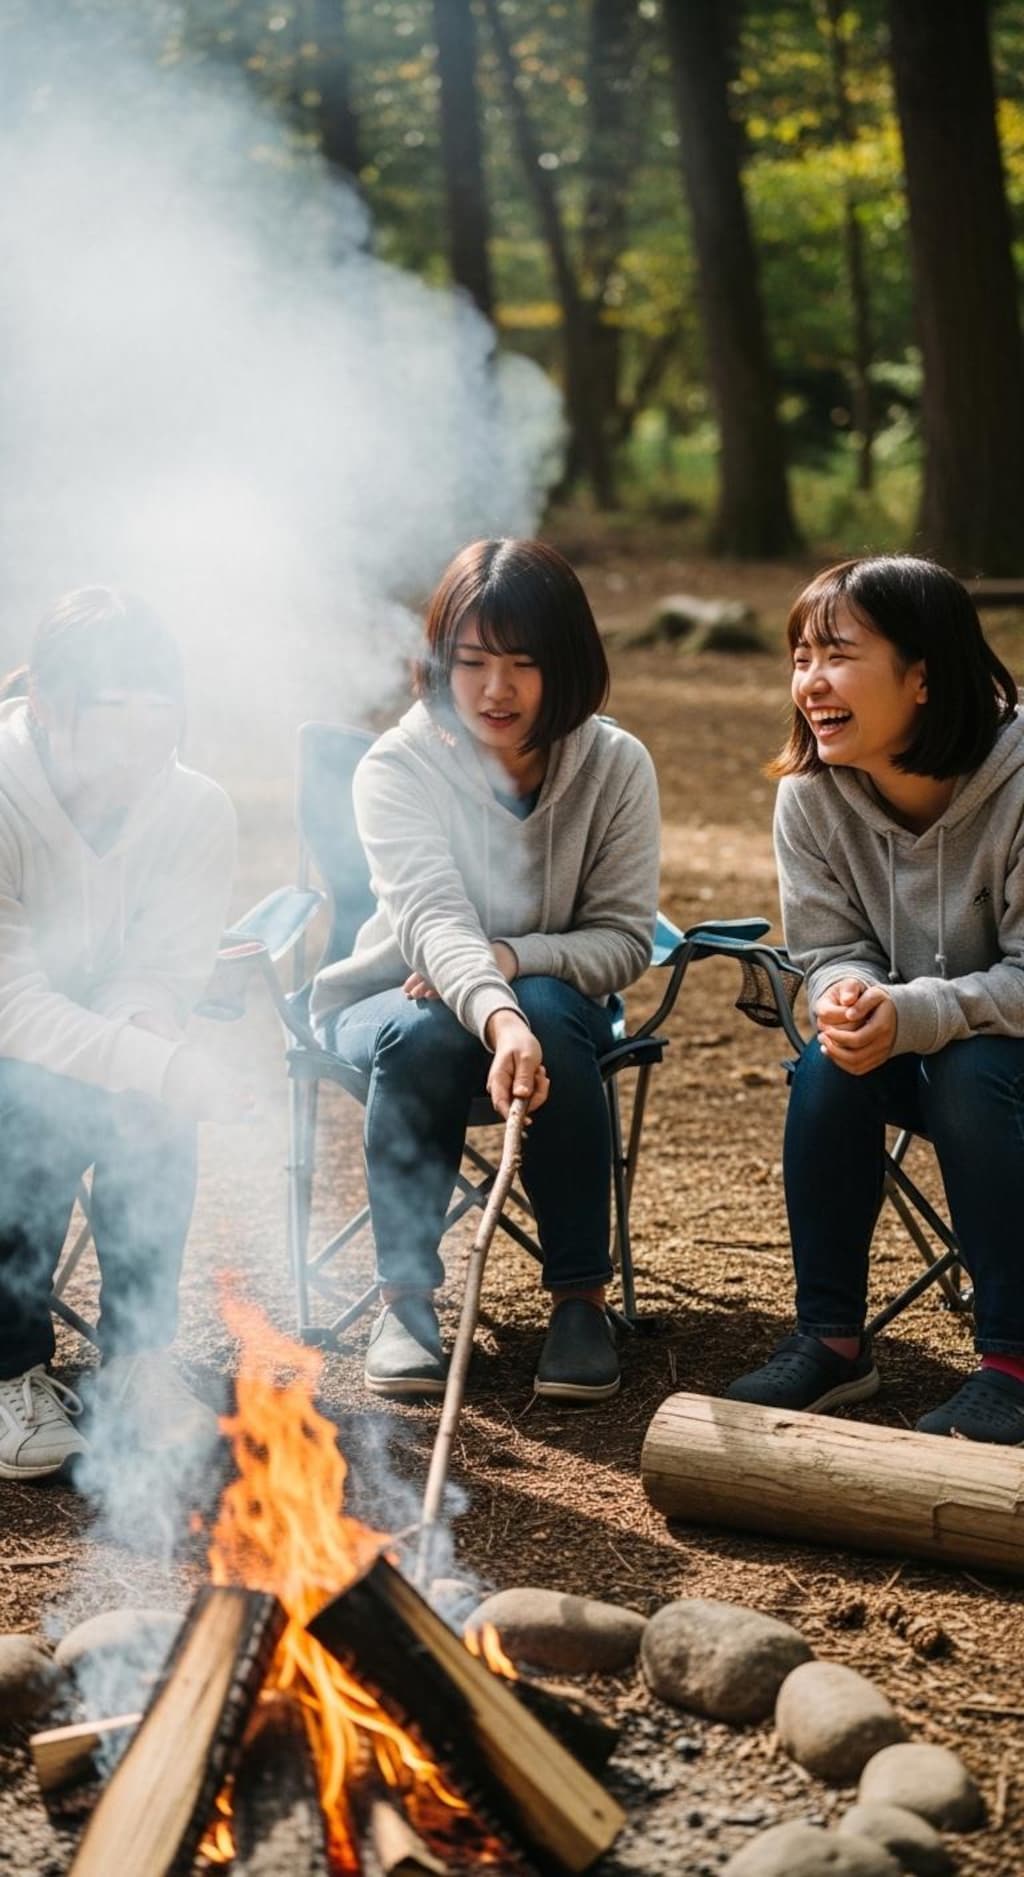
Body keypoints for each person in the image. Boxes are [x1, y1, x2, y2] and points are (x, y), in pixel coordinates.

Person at [311, 538, 660, 1402]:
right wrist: (497, 1009)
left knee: (544, 1000)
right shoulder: (399, 765)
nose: (494, 690)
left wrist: (513, 965)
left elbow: (624, 939)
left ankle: (579, 1298)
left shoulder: (617, 767)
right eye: (470, 662)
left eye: (523, 664)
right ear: (440, 662)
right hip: (395, 991)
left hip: (556, 1012)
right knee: (426, 1026)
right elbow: (429, 919)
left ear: (567, 666)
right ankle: (407, 1301)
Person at [726, 554, 1024, 1444]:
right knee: (830, 1062)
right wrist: (845, 993)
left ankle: (1012, 1363)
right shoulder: (813, 796)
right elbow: (826, 950)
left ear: (923, 675)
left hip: (1000, 1063)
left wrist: (916, 1012)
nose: (810, 683)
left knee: (970, 1068)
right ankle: (832, 1340)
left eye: (838, 656)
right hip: (924, 1044)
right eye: (800, 658)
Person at [0, 586, 243, 1483]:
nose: (140, 747)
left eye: (159, 718)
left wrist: (150, 1039)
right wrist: (154, 1059)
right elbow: (11, 1002)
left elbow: (166, 965)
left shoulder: (194, 809)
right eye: (114, 717)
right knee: (26, 1102)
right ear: (46, 708)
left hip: (93, 1030)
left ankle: (139, 1360)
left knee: (149, 1100)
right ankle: (7, 1373)